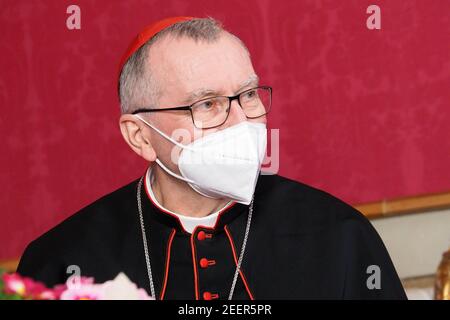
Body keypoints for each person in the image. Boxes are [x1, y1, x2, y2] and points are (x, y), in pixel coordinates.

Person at [17, 16, 406, 300]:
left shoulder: (340, 235)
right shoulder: (61, 260)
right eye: (207, 104)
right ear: (140, 136)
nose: (241, 121)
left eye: (249, 94)